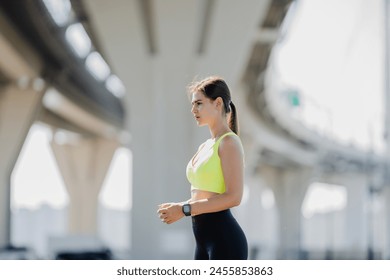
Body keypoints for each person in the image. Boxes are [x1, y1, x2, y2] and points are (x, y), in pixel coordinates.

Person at [157, 76, 248, 260]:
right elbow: (204, 195)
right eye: (192, 104)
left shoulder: (229, 142)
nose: (193, 110)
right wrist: (180, 206)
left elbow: (234, 197)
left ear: (218, 103)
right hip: (202, 242)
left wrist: (184, 210)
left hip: (225, 242)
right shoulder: (206, 146)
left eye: (199, 103)